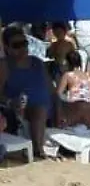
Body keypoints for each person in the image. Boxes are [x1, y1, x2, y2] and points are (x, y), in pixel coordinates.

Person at [0, 25, 54, 158]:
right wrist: (10, 101)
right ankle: (38, 149)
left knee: (83, 106)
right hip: (19, 108)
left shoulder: (37, 62)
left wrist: (60, 109)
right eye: (16, 45)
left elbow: (52, 90)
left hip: (46, 107)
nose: (22, 48)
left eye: (24, 43)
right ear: (7, 47)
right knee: (38, 111)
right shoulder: (5, 65)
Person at [56, 50, 90, 129]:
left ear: (68, 62)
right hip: (88, 108)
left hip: (76, 106)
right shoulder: (87, 75)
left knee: (57, 99)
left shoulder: (68, 75)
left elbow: (58, 94)